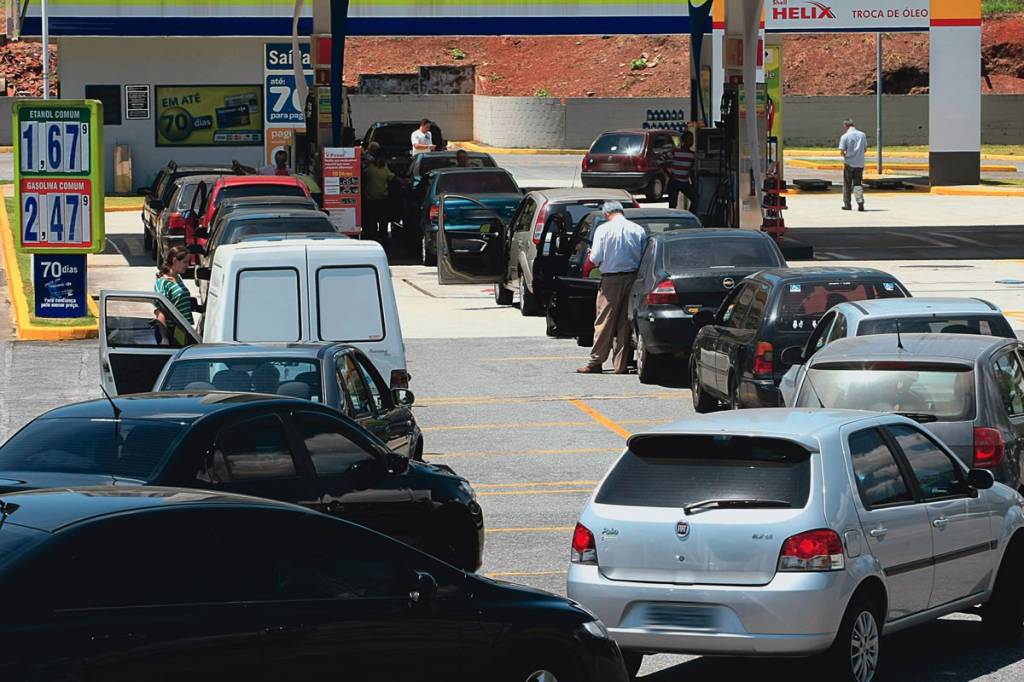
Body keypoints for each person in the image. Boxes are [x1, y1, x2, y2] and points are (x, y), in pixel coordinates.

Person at [577, 202, 647, 375]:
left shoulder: (603, 229)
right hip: (632, 278)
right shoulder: (638, 229)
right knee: (625, 322)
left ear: (606, 214)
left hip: (611, 279)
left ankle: (596, 361)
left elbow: (595, 257)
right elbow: (644, 255)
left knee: (604, 320)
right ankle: (620, 365)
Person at [154, 245, 195, 344]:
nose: (187, 265)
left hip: (183, 329)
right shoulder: (163, 283)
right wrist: (164, 338)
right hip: (172, 332)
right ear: (175, 261)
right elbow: (160, 312)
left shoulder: (178, 278)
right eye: (185, 262)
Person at [362, 153, 397, 246]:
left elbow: (392, 177)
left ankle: (383, 236)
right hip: (371, 199)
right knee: (372, 219)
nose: (382, 162)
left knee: (383, 220)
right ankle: (373, 236)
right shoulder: (370, 169)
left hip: (383, 199)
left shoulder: (384, 168)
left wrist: (402, 181)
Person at [838, 118, 867, 212]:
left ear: (845, 126)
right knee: (858, 184)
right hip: (860, 163)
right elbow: (865, 150)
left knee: (847, 184)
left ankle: (847, 204)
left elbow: (842, 152)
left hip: (849, 163)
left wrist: (847, 155)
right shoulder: (862, 135)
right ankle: (860, 202)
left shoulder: (845, 136)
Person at [667, 131, 697, 210]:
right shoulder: (675, 151)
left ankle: (689, 216)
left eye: (692, 139)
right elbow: (661, 161)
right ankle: (672, 220)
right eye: (690, 139)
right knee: (673, 205)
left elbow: (691, 170)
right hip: (674, 182)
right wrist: (669, 173)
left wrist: (694, 183)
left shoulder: (692, 155)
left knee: (695, 199)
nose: (691, 141)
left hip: (685, 182)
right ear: (684, 140)